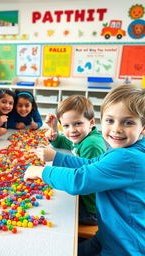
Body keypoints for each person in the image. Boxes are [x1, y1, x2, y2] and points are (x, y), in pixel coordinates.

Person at [24, 84, 145, 256]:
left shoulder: (127, 158)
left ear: (143, 128)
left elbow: (78, 181)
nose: (117, 129)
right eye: (110, 120)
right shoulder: (126, 151)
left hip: (124, 247)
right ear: (101, 120)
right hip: (108, 236)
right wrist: (57, 158)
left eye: (128, 122)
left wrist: (41, 171)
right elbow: (92, 163)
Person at [43, 95, 107, 225]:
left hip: (91, 210)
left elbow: (84, 180)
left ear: (91, 122)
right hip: (84, 197)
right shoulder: (82, 137)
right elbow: (65, 143)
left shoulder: (91, 145)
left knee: (54, 214)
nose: (72, 130)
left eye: (78, 123)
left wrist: (54, 163)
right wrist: (54, 133)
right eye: (66, 126)